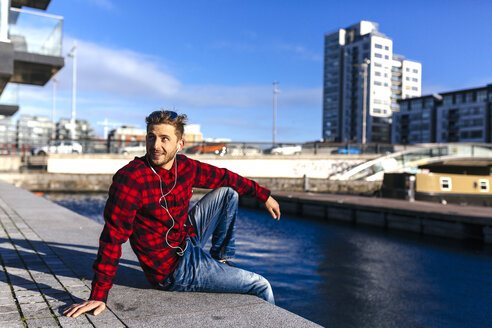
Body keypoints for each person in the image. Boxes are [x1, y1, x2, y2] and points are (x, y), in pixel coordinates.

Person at [64, 110, 281, 318]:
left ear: (180, 144)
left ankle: (219, 260)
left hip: (187, 239)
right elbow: (112, 238)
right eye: (151, 137)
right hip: (173, 269)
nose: (156, 145)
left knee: (227, 193)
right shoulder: (132, 178)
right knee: (260, 285)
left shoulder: (185, 167)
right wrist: (98, 295)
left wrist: (263, 196)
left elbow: (225, 177)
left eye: (164, 139)